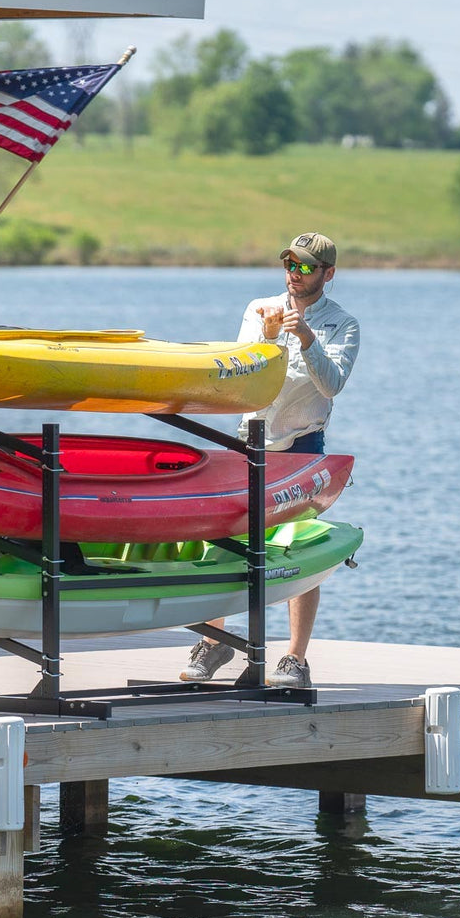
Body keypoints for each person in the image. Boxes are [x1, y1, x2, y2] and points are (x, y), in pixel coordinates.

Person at [179, 232, 360, 689]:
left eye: (305, 267)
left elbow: (331, 385)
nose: (294, 275)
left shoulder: (344, 325)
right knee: (220, 538)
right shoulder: (259, 308)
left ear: (328, 274)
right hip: (249, 443)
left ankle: (294, 659)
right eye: (289, 265)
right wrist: (270, 335)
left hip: (301, 447)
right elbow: (242, 374)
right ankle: (214, 641)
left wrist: (306, 338)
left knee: (300, 545)